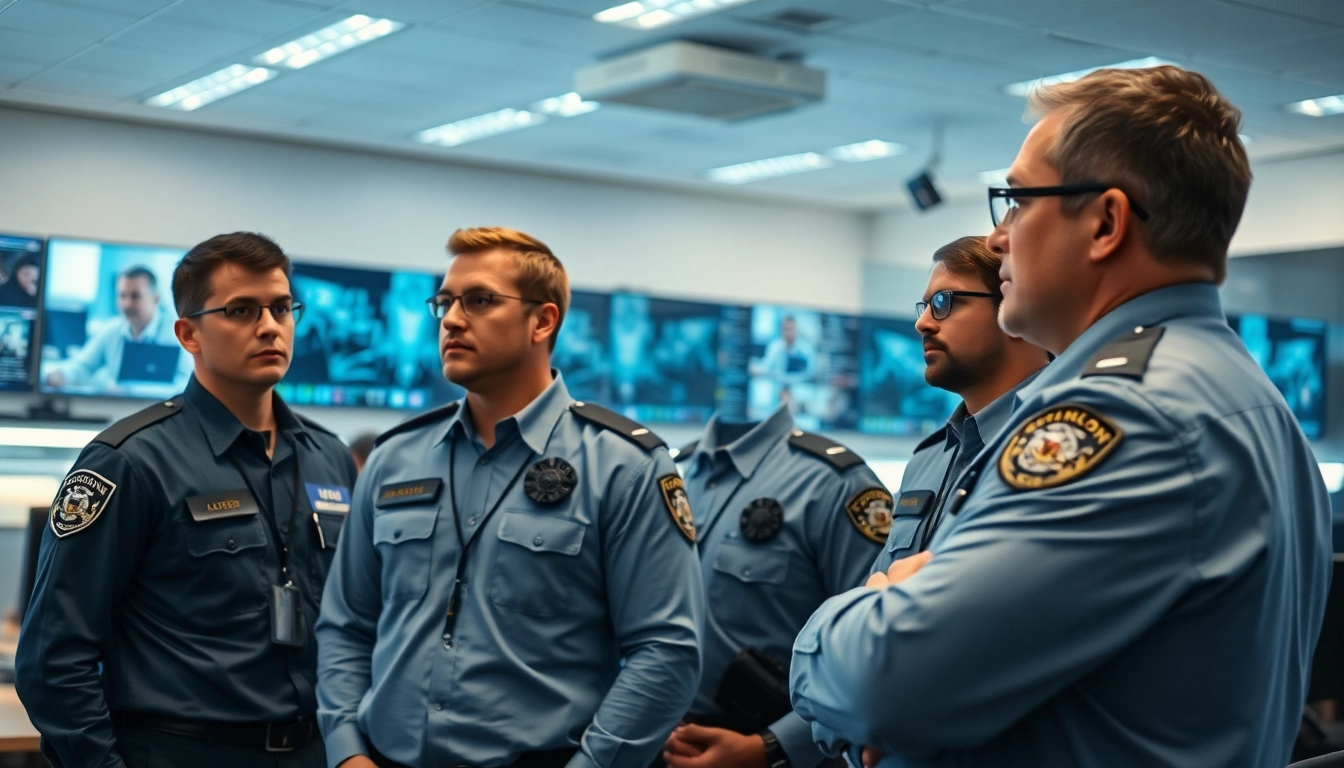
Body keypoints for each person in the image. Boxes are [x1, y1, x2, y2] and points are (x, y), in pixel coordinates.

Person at [790, 65, 1334, 768]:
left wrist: (855, 608)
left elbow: (881, 684)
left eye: (1015, 201)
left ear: (1106, 223)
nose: (996, 239)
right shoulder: (1241, 392)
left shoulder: (1121, 415)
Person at [317, 227, 704, 768]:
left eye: (478, 301)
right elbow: (346, 625)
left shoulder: (624, 466)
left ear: (542, 321)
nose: (451, 319)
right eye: (445, 302)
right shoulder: (393, 458)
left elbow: (667, 654)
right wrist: (345, 750)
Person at [15, 232, 358, 768]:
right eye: (241, 310)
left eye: (281, 308)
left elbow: (353, 627)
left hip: (314, 752)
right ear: (188, 334)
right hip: (180, 751)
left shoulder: (329, 458)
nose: (270, 326)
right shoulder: (128, 460)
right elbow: (53, 659)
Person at [662, 405, 892, 768]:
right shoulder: (674, 470)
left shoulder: (835, 484)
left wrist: (771, 747)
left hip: (771, 748)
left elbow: (872, 655)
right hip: (658, 741)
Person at [876, 236, 1049, 569]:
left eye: (943, 302)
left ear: (1012, 309)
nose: (922, 323)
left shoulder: (1053, 444)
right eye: (924, 306)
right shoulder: (927, 461)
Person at [44, 265, 191, 390]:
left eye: (135, 296)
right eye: (122, 296)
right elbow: (83, 366)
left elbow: (186, 383)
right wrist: (60, 375)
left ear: (155, 298)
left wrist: (131, 390)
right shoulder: (112, 330)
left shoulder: (177, 333)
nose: (127, 304)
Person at [751, 315, 816, 383]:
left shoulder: (806, 349)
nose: (787, 333)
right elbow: (766, 367)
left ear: (796, 330)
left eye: (790, 329)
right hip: (778, 386)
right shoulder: (775, 347)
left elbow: (811, 374)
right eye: (784, 329)